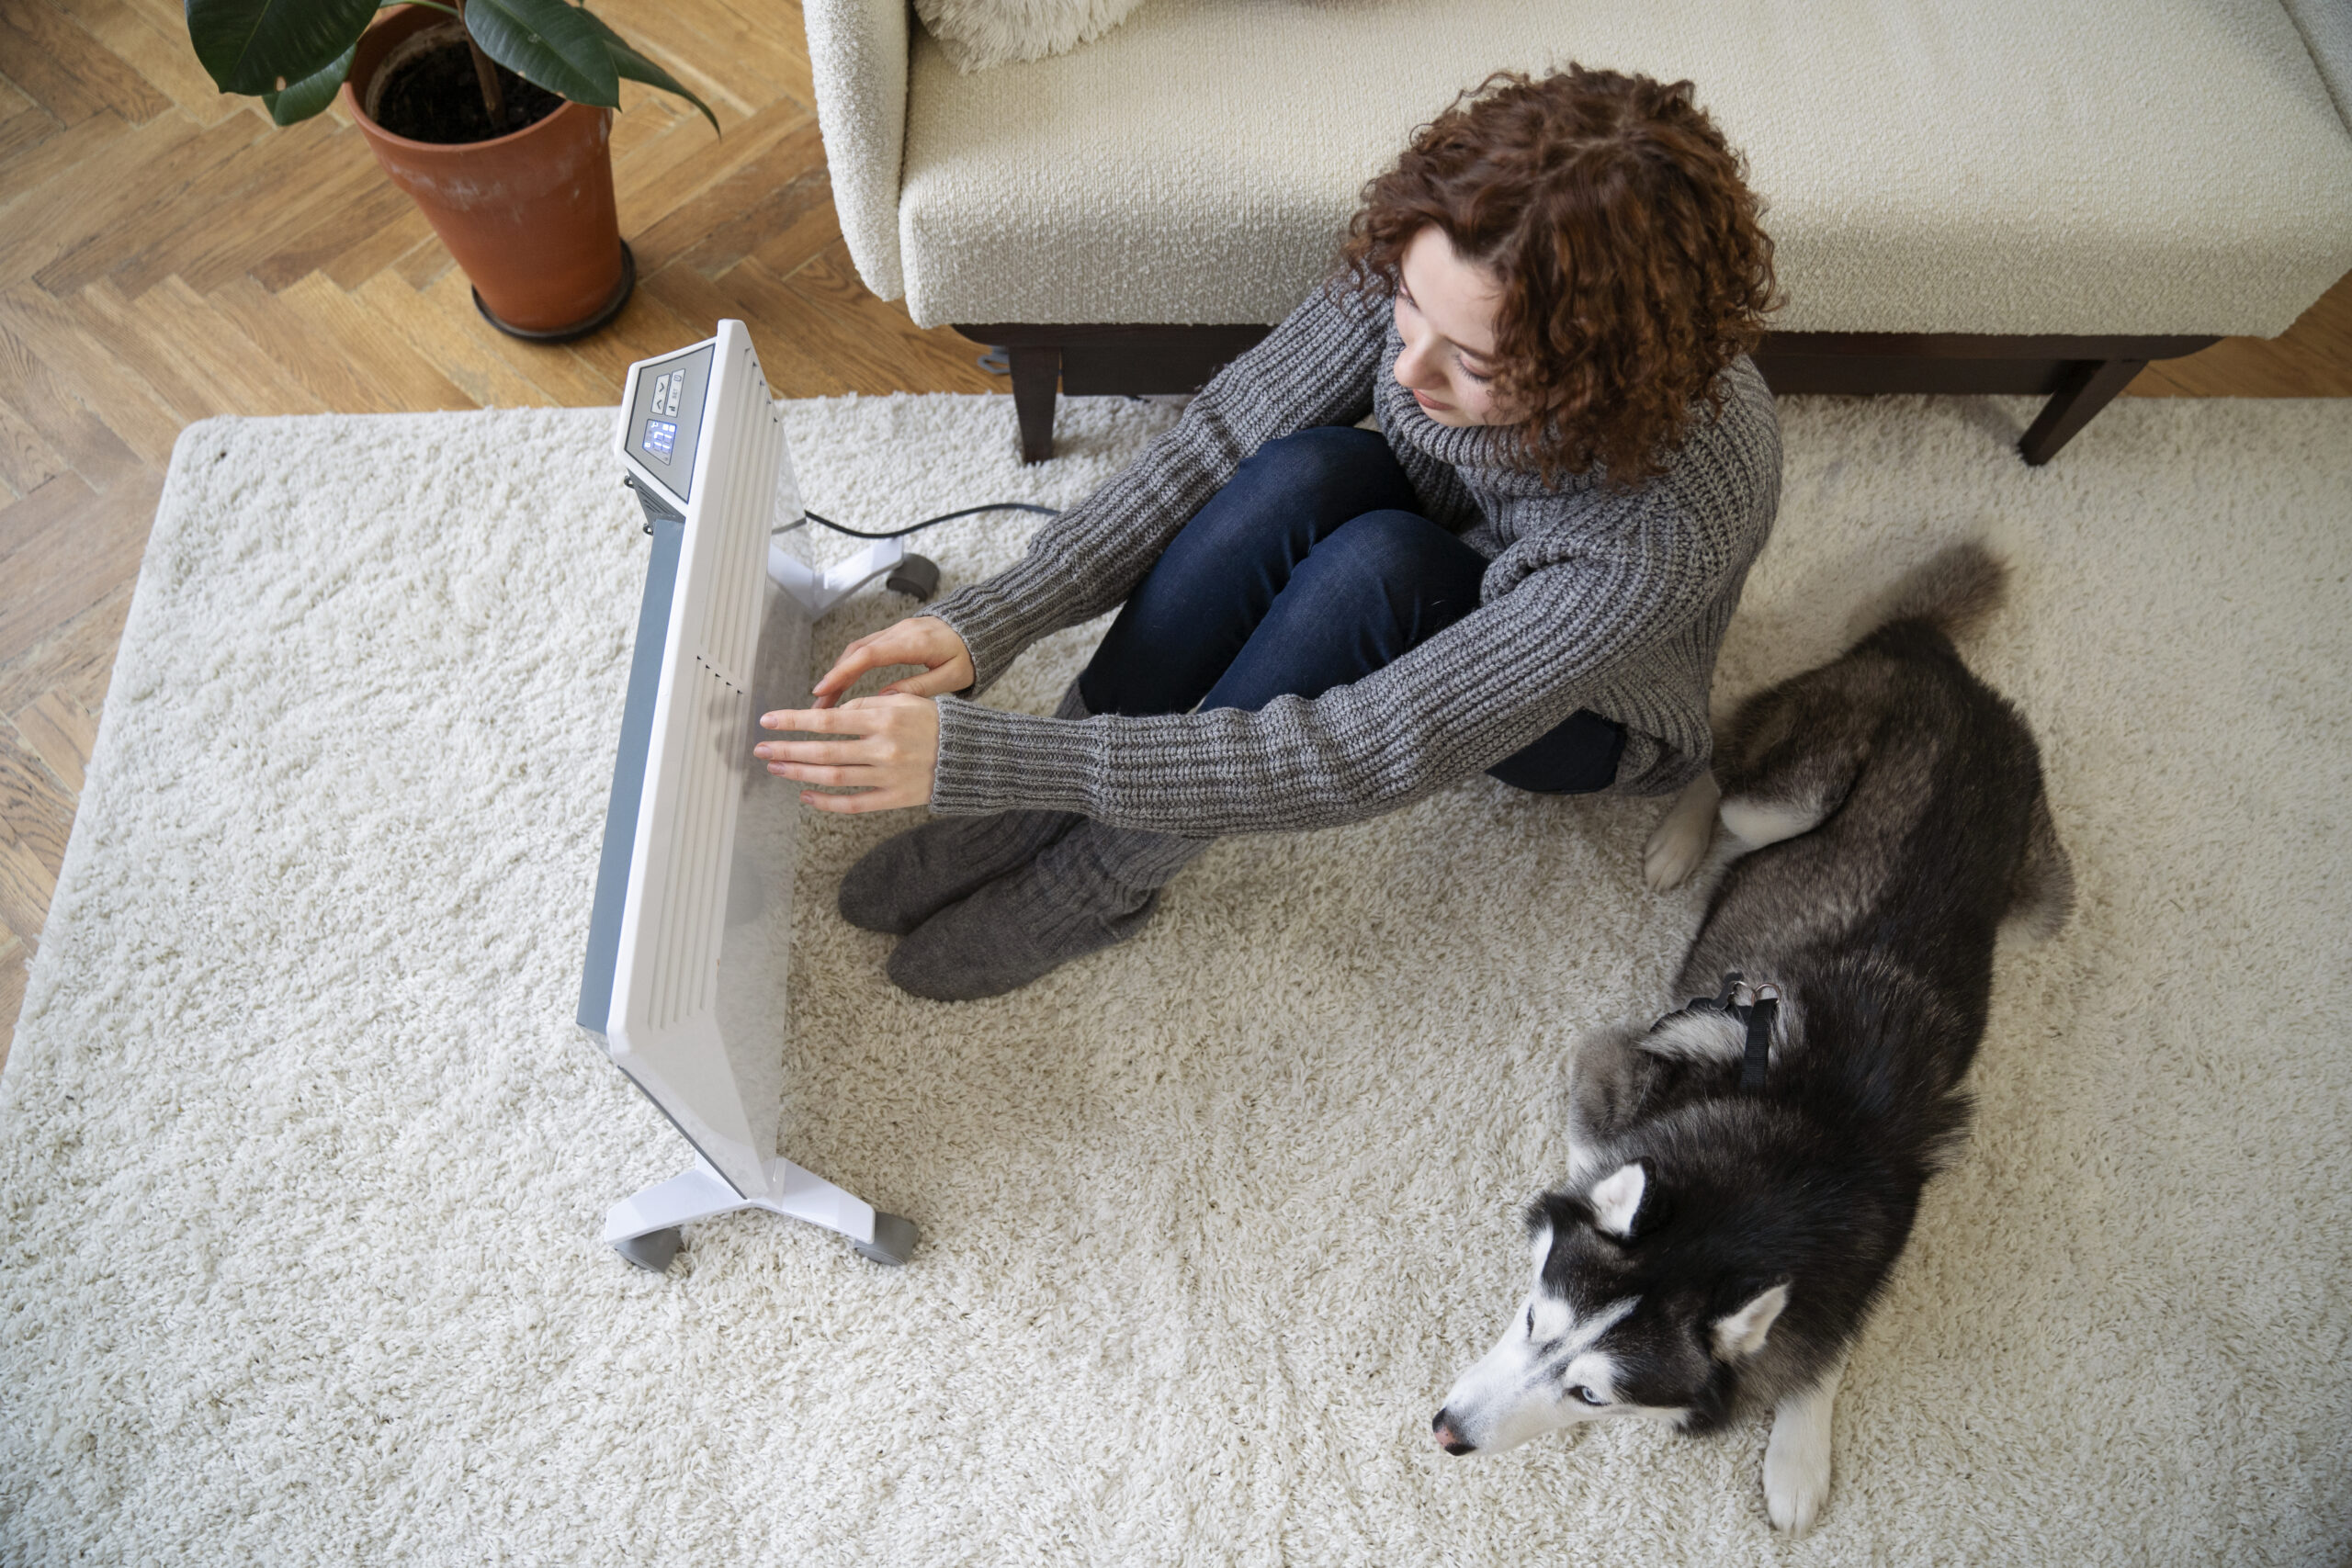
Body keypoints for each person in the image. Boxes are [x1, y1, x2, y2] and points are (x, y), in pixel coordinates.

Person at [753, 64, 1784, 1001]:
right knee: (1307, 468)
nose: (1410, 373)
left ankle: (1102, 875)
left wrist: (995, 758)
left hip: (1585, 711)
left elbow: (1360, 748)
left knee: (1374, 573)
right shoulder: (1456, 238)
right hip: (1458, 545)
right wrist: (996, 620)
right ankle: (1044, 811)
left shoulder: (1664, 522)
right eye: (1406, 312)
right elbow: (1219, 440)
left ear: (1589, 379)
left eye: (1468, 362)